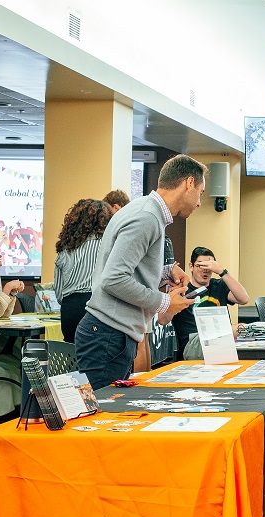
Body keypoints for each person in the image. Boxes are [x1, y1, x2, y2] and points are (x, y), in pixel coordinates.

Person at [76, 156, 204, 389]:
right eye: (200, 193)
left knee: (113, 408)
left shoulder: (146, 210)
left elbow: (129, 268)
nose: (199, 203)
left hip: (110, 333)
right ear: (189, 183)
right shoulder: (147, 217)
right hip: (108, 334)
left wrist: (166, 272)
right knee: (106, 410)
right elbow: (113, 279)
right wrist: (164, 302)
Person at [171, 246, 251, 353]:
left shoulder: (218, 285)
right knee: (238, 329)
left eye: (209, 266)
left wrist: (222, 272)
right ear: (191, 266)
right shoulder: (183, 288)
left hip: (220, 339)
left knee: (246, 329)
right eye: (200, 265)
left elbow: (244, 299)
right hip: (194, 343)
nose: (205, 270)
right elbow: (163, 320)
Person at [52, 199, 110, 342]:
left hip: (69, 312)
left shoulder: (65, 249)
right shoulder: (108, 245)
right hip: (96, 309)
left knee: (72, 352)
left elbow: (59, 294)